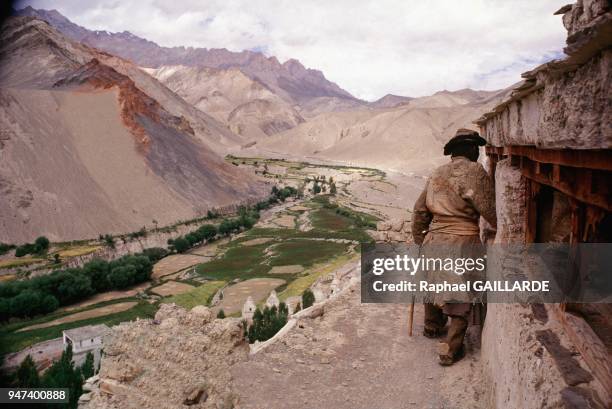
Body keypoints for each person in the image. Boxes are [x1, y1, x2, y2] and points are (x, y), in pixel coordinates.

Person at [411, 128, 496, 366]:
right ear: (471, 150)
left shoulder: (437, 173)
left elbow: (420, 210)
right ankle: (450, 349)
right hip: (462, 242)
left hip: (434, 239)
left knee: (432, 281)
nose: (478, 153)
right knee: (461, 294)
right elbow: (490, 210)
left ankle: (432, 326)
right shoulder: (475, 172)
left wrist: (421, 240)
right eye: (476, 149)